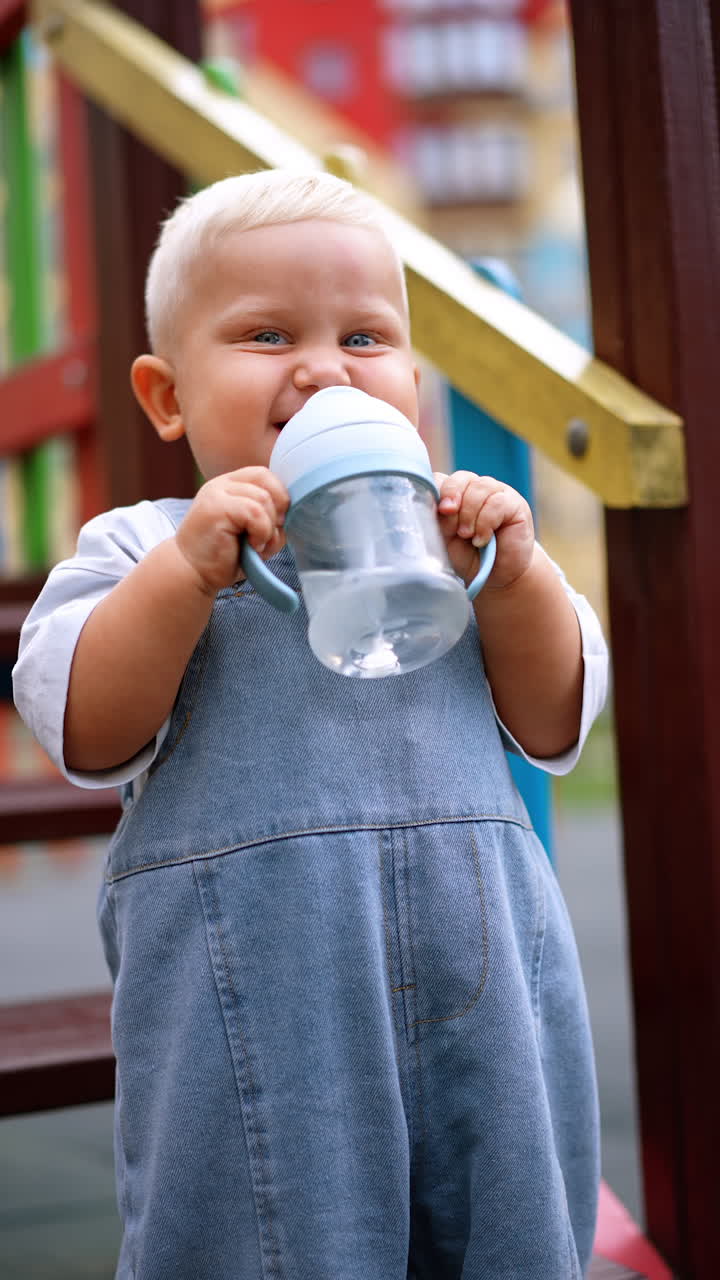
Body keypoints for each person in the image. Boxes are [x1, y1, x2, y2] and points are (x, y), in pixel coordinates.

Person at [13, 169, 608, 1280]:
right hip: (263, 1001)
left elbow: (557, 712)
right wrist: (188, 572)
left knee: (511, 1226)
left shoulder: (457, 539)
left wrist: (516, 572)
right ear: (166, 395)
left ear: (415, 387)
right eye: (267, 332)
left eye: (368, 338)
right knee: (268, 1233)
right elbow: (84, 726)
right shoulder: (142, 545)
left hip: (486, 990)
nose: (326, 368)